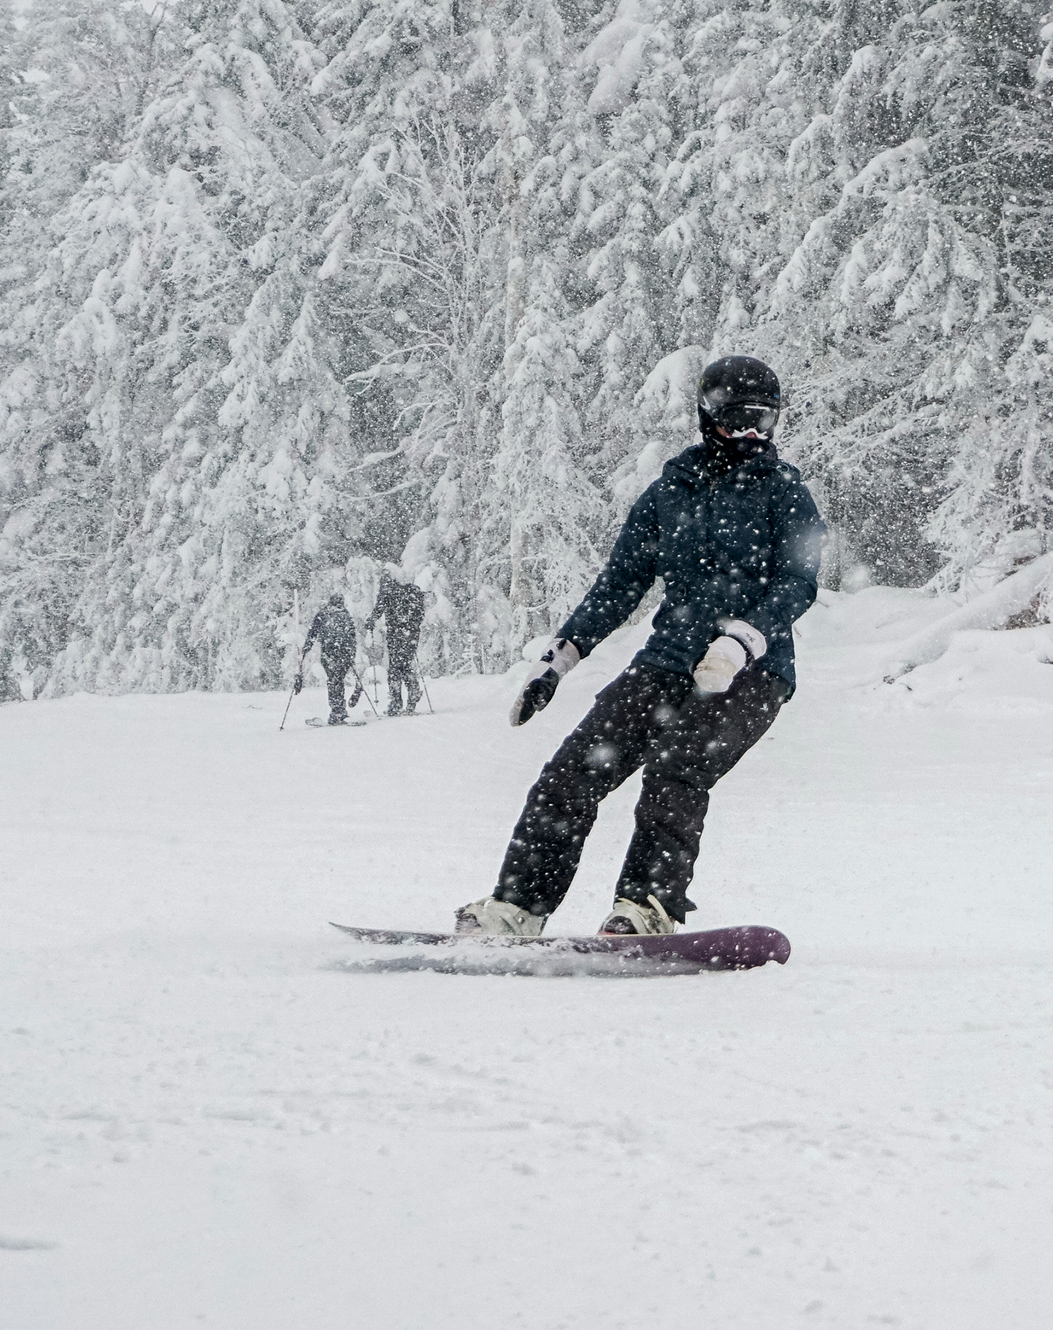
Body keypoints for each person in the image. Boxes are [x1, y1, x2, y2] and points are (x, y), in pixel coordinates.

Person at [453, 357, 826, 938]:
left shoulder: (784, 491)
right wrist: (559, 658)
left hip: (751, 673)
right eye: (741, 420)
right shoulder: (669, 493)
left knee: (677, 770)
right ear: (709, 417)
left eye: (765, 421)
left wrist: (740, 642)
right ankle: (518, 907)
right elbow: (620, 583)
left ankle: (646, 908)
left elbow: (798, 582)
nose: (755, 434)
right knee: (571, 773)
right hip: (666, 662)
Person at [299, 594, 360, 725]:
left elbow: (312, 632)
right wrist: (351, 654)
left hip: (329, 654)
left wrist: (306, 648)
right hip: (344, 654)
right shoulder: (346, 615)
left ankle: (336, 711)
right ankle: (339, 711)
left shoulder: (323, 614)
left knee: (333, 681)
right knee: (338, 680)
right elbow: (352, 636)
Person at [373, 577, 427, 715]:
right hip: (411, 635)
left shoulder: (387, 593)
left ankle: (396, 702)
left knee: (395, 668)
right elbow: (420, 615)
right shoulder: (409, 593)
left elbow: (378, 611)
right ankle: (413, 691)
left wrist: (370, 621)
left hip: (395, 634)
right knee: (405, 664)